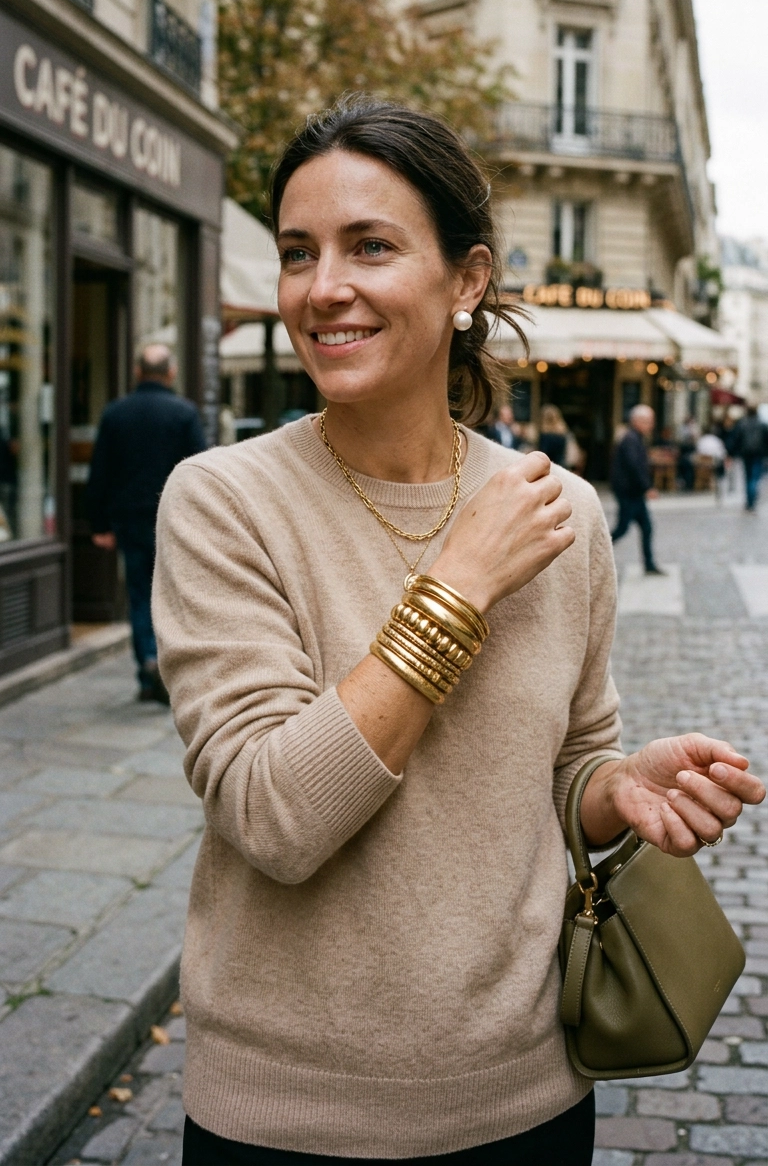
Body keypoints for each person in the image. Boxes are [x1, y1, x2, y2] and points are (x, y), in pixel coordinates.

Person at [152, 98, 764, 1166]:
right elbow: (272, 814)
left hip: (527, 1099)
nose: (321, 287)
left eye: (369, 245)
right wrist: (458, 584)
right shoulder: (223, 501)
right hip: (289, 1116)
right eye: (299, 252)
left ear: (467, 280)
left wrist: (616, 786)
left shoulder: (562, 514)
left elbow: (566, 765)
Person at [88, 344, 206, 703]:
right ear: (171, 373)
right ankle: (170, 670)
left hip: (129, 519)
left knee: (140, 593)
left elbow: (100, 471)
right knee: (173, 594)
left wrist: (99, 524)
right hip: (174, 518)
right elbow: (200, 470)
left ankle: (149, 663)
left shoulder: (115, 413)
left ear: (138, 372)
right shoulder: (184, 413)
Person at [610, 404, 663, 575]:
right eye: (648, 421)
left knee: (646, 527)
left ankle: (649, 564)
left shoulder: (634, 438)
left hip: (633, 492)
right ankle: (594, 551)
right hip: (629, 492)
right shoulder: (631, 439)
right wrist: (647, 487)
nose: (651, 425)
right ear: (637, 421)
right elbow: (634, 466)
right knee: (622, 528)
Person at [731, 404, 768, 512]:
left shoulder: (742, 424)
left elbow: (736, 439)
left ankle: (749, 502)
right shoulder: (762, 424)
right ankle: (752, 501)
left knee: (748, 477)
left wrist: (733, 452)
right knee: (755, 477)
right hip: (758, 454)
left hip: (746, 454)